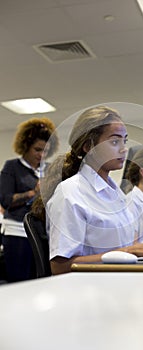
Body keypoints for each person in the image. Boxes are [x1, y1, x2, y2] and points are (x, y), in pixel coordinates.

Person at [33, 106, 143, 275]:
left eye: (124, 141)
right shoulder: (70, 193)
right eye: (115, 142)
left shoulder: (116, 193)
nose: (124, 149)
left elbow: (124, 248)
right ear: (88, 146)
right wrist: (127, 252)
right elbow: (60, 267)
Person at [0, 117, 59, 282]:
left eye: (46, 151)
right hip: (17, 232)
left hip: (42, 233)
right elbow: (5, 200)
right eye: (37, 150)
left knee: (40, 280)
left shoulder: (48, 169)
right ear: (25, 147)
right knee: (19, 280)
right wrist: (34, 192)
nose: (42, 155)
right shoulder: (12, 167)